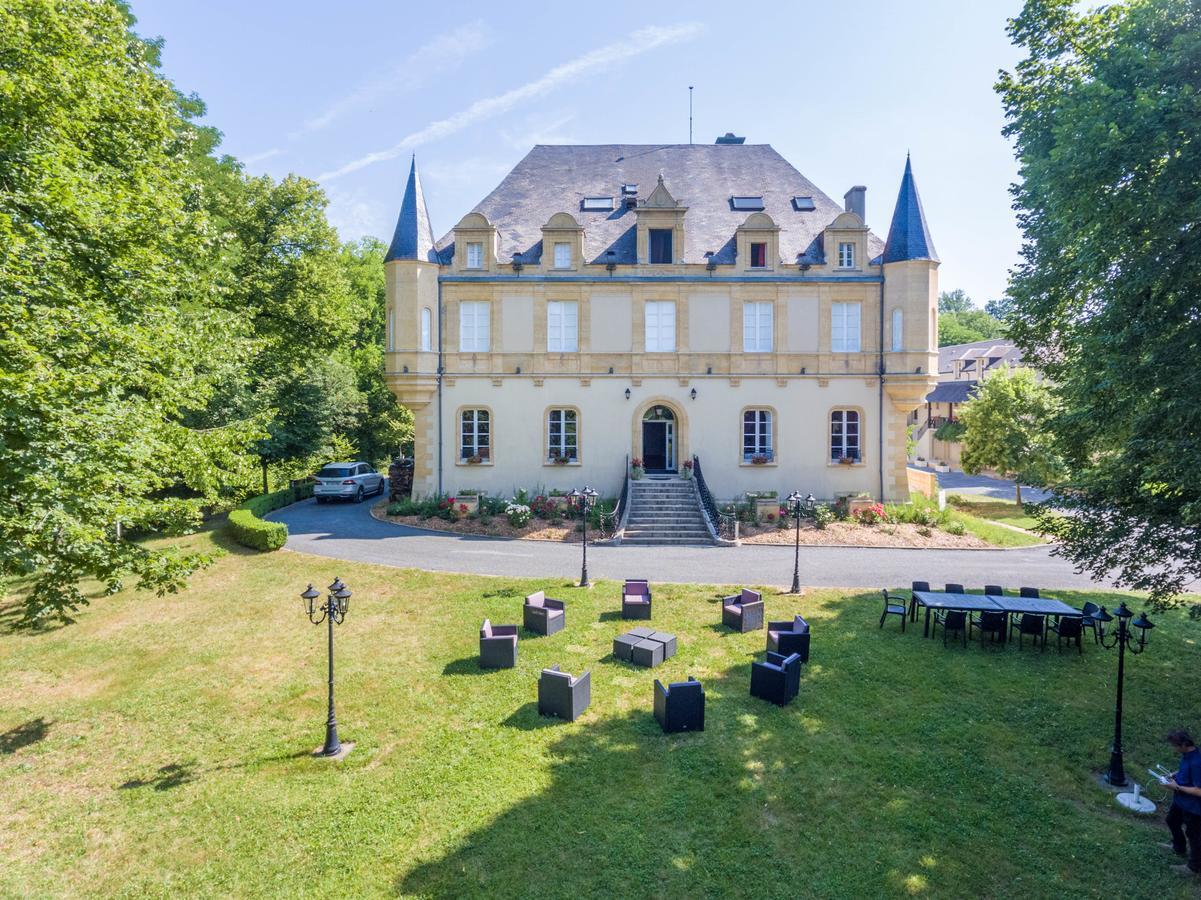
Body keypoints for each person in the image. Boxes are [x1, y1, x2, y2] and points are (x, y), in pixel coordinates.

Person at [1164, 729, 1201, 877]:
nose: (1174, 749)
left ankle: (1193, 867)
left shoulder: (1197, 762)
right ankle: (1178, 846)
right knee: (1171, 820)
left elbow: (1199, 790)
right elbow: (1185, 772)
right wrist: (1174, 774)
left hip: (1193, 807)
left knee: (1194, 835)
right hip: (1180, 802)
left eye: (1175, 746)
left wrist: (1177, 787)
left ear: (1184, 744)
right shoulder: (1187, 756)